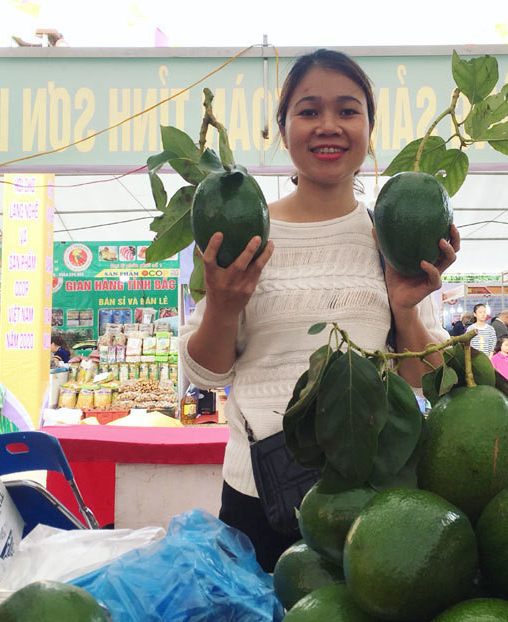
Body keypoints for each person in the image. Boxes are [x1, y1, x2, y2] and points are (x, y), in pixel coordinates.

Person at [179, 49, 458, 572]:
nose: (328, 126)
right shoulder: (248, 230)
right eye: (308, 111)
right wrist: (223, 305)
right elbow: (206, 374)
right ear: (283, 128)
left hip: (365, 496)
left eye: (348, 111)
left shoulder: (390, 235)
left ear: (370, 128)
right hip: (258, 494)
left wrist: (404, 308)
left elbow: (421, 381)